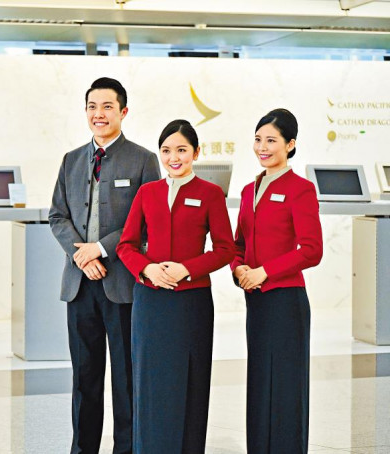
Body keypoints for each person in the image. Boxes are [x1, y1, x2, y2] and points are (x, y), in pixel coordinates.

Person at [49, 77, 160, 454]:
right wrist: (81, 255)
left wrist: (99, 249)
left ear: (123, 112)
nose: (99, 114)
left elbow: (146, 223)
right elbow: (57, 216)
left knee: (127, 379)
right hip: (79, 285)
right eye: (92, 107)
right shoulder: (71, 160)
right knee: (85, 378)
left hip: (123, 286)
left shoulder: (143, 159)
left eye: (107, 106)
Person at [116, 119, 235, 453]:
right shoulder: (147, 192)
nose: (173, 157)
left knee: (190, 384)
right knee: (150, 385)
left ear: (196, 152)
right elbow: (126, 245)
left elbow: (226, 249)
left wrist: (187, 269)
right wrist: (148, 270)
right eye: (166, 151)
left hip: (191, 304)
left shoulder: (210, 194)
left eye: (181, 150)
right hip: (150, 302)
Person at [231, 108, 323, 453]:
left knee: (286, 387)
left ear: (290, 144)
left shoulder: (301, 189)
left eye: (271, 140)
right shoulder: (247, 189)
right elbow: (238, 244)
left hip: (286, 299)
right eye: (258, 140)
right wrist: (238, 268)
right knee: (259, 382)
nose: (262, 147)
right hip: (255, 299)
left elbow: (312, 250)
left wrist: (264, 272)